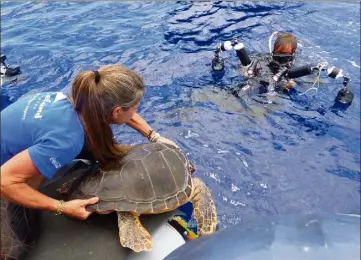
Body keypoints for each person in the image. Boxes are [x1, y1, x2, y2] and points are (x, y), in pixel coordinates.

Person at [0, 64, 179, 258]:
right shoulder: (68, 140)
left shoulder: (79, 102)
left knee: (102, 150)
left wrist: (154, 136)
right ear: (117, 111)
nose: (137, 111)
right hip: (5, 177)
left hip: (29, 147)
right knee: (18, 245)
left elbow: (125, 114)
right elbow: (5, 181)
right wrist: (62, 207)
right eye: (136, 107)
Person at [210, 32, 354, 106]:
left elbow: (313, 81)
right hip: (256, 84)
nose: (280, 59)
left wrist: (293, 85)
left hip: (280, 94)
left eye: (285, 56)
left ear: (294, 54)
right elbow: (242, 67)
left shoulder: (301, 65)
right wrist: (245, 73)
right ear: (272, 51)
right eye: (278, 55)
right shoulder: (262, 59)